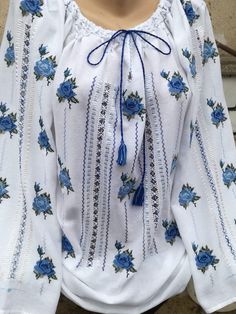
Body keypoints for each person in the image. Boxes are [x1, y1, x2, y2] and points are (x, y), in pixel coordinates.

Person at [0, 0, 236, 313]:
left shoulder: (186, 12)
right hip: (70, 271)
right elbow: (21, 148)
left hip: (168, 265)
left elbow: (206, 140)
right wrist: (22, 276)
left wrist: (223, 267)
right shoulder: (38, 10)